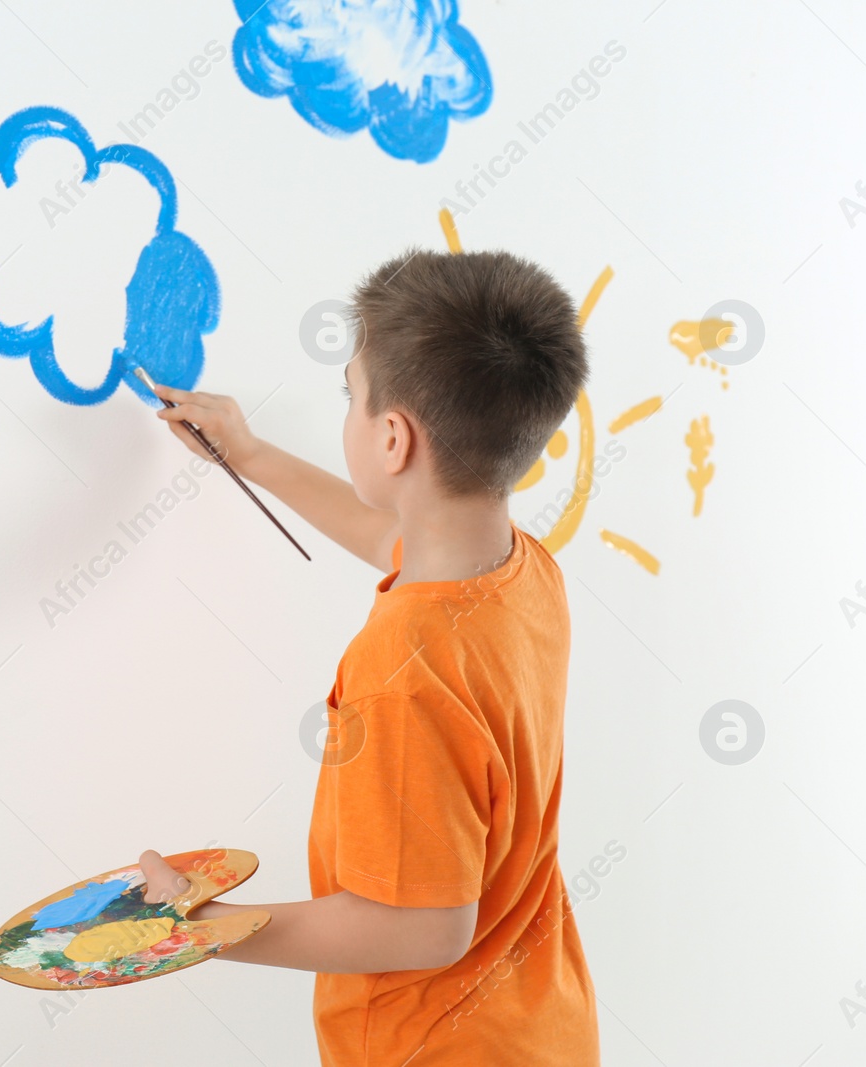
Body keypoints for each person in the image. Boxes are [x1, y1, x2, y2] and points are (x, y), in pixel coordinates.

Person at [138, 248, 600, 1065]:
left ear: (393, 439)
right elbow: (398, 536)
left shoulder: (405, 671)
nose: (347, 409)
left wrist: (195, 926)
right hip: (538, 1032)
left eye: (349, 395)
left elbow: (422, 925)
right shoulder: (521, 573)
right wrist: (251, 454)